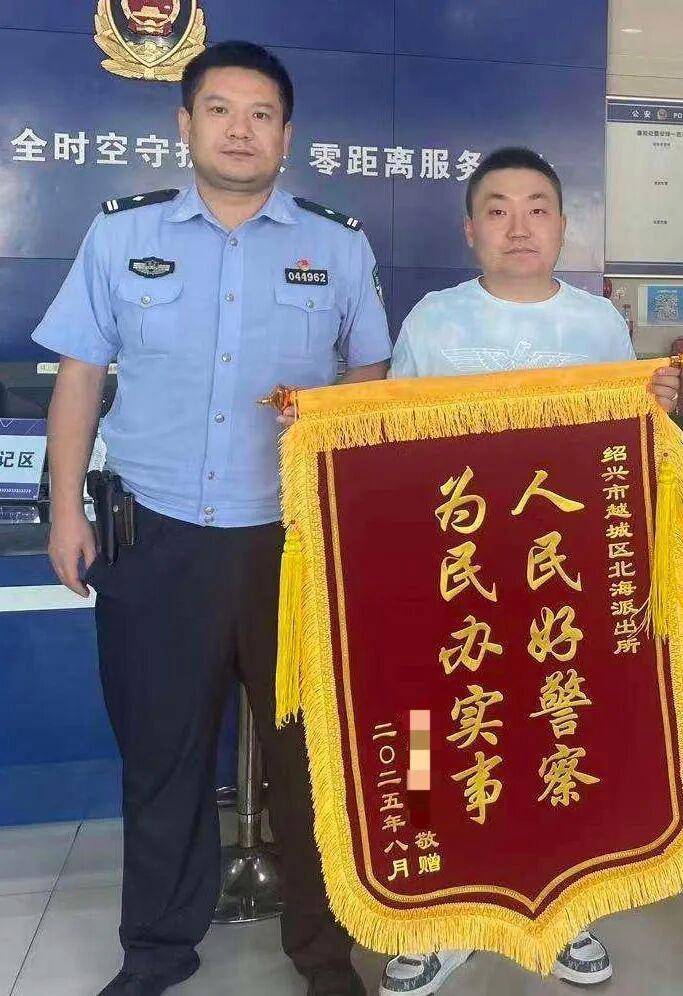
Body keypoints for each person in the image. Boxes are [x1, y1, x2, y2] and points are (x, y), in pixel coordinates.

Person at [33, 40, 391, 996]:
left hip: (295, 545)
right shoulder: (120, 235)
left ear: (287, 135)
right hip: (156, 542)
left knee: (311, 763)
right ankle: (156, 952)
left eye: (261, 114)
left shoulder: (338, 245)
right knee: (163, 760)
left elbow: (369, 380)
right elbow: (80, 376)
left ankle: (325, 957)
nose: (241, 130)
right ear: (184, 123)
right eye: (221, 110)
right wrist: (65, 509)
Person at [379, 146, 680, 996]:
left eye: (536, 207)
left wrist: (655, 409)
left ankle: (564, 909)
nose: (518, 226)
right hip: (450, 577)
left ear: (561, 225)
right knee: (432, 738)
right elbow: (382, 441)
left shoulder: (596, 326)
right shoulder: (433, 321)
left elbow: (624, 451)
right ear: (469, 229)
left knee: (557, 729)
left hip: (559, 583)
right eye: (498, 209)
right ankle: (433, 922)